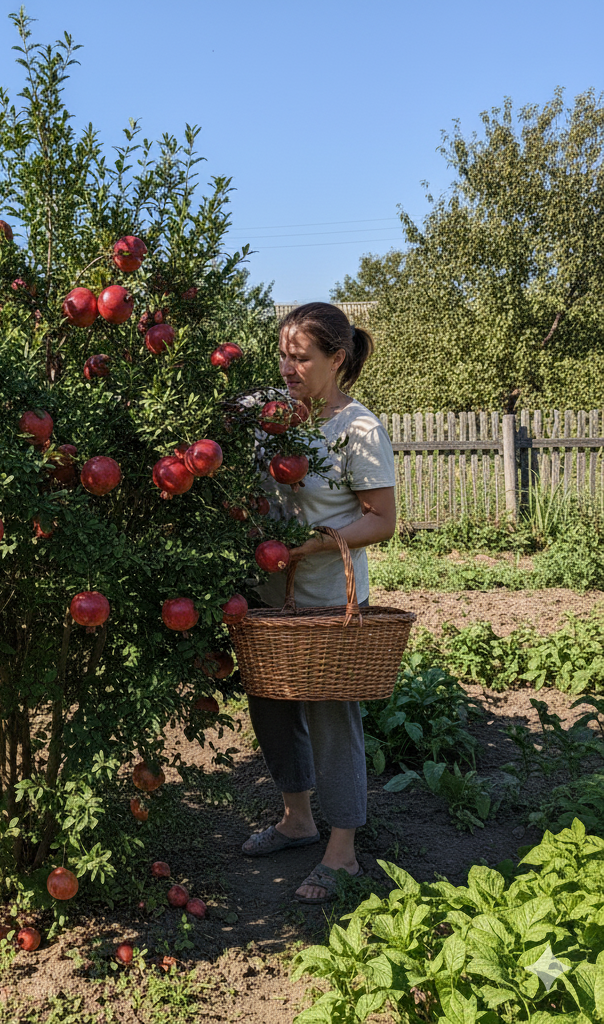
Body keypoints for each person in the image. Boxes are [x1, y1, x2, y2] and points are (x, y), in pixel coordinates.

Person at [241, 301, 397, 904]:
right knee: (272, 703)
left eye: (300, 357)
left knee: (333, 715)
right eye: (282, 354)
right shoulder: (270, 416)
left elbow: (381, 521)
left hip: (329, 592)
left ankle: (342, 850)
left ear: (336, 359)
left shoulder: (357, 428)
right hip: (268, 591)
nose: (287, 367)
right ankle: (297, 818)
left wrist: (308, 549)